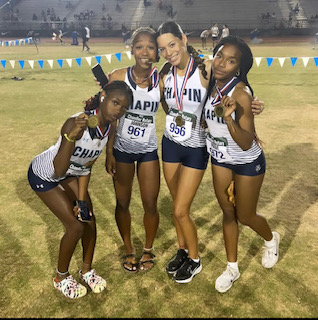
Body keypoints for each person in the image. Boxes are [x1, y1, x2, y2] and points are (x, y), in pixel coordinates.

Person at [155, 21, 266, 284]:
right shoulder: (164, 74)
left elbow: (235, 83)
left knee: (182, 209)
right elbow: (163, 101)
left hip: (197, 147)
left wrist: (254, 103)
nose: (169, 52)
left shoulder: (205, 68)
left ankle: (194, 260)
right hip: (171, 143)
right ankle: (183, 250)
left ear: (183, 39)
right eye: (163, 48)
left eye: (172, 44)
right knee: (176, 207)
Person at [27, 81, 133, 299]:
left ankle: (86, 270)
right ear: (103, 96)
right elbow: (58, 170)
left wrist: (82, 202)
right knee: (74, 227)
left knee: (89, 220)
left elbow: (85, 168)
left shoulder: (107, 127)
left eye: (124, 108)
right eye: (115, 103)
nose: (119, 111)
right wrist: (70, 138)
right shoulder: (74, 123)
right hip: (45, 175)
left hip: (73, 175)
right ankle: (61, 277)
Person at [203, 35, 280, 293]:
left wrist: (228, 120)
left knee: (244, 215)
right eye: (220, 56)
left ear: (239, 67)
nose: (221, 63)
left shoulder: (241, 94)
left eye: (231, 61)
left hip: (247, 162)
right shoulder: (211, 83)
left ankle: (271, 239)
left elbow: (246, 142)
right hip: (220, 159)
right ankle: (232, 268)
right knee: (227, 213)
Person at [105, 27, 162, 273]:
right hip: (122, 150)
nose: (144, 52)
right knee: (123, 202)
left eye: (150, 46)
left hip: (148, 149)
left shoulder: (163, 79)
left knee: (150, 202)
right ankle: (129, 248)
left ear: (157, 52)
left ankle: (147, 250)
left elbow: (177, 108)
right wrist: (109, 152)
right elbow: (109, 116)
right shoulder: (117, 75)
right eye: (139, 46)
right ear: (132, 49)